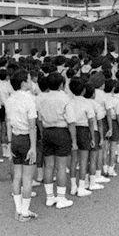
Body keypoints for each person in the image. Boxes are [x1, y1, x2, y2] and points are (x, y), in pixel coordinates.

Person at [35, 72, 74, 209]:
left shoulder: (41, 99)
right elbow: (71, 121)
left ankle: (49, 197)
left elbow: (38, 119)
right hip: (61, 131)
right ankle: (61, 198)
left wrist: (42, 132)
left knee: (49, 165)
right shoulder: (65, 98)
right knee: (61, 167)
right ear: (61, 84)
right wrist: (73, 140)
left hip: (47, 131)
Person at [5, 69, 39, 222]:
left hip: (15, 139)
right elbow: (32, 126)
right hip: (26, 139)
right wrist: (33, 147)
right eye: (30, 79)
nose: (32, 82)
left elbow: (7, 122)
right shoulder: (29, 99)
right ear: (24, 82)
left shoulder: (9, 99)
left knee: (17, 176)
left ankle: (18, 209)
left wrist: (10, 142)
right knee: (27, 177)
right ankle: (24, 212)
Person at [65, 78, 96, 197]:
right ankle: (81, 187)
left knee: (73, 160)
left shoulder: (69, 102)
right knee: (83, 160)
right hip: (84, 130)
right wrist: (93, 137)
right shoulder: (87, 103)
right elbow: (91, 121)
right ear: (84, 90)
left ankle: (73, 186)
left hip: (71, 130)